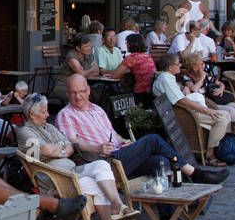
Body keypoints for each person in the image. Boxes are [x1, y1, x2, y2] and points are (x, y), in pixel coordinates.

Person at [15, 94, 138, 220]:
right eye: (44, 112)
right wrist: (60, 149)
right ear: (32, 114)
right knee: (100, 186)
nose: (47, 115)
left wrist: (59, 150)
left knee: (101, 165)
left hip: (71, 169)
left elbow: (70, 146)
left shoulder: (50, 127)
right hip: (56, 179)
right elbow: (47, 150)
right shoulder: (25, 132)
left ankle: (117, 205)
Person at [55, 74, 226, 182]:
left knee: (161, 162)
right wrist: (97, 148)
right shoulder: (66, 115)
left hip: (120, 154)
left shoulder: (97, 109)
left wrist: (125, 141)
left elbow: (113, 133)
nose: (78, 96)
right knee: (152, 139)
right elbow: (72, 143)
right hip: (104, 163)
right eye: (74, 93)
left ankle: (171, 216)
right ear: (68, 93)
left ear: (88, 90)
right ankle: (194, 172)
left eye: (82, 91)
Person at [152, 53, 229, 165]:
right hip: (184, 114)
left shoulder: (168, 78)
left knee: (226, 114)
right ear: (170, 67)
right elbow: (182, 101)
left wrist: (184, 88)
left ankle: (221, 149)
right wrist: (206, 110)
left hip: (186, 111)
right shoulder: (165, 79)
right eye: (178, 64)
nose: (180, 65)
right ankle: (210, 155)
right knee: (221, 118)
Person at [183, 51, 235, 121]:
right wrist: (202, 78)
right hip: (205, 105)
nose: (204, 65)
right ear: (194, 67)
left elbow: (221, 84)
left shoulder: (206, 75)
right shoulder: (187, 78)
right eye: (201, 64)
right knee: (231, 111)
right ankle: (229, 131)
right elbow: (194, 90)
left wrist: (221, 89)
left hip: (215, 100)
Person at [107, 35, 157, 104]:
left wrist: (104, 72)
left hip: (139, 94)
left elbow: (115, 76)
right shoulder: (147, 56)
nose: (126, 45)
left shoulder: (131, 58)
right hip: (150, 93)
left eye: (127, 43)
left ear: (131, 44)